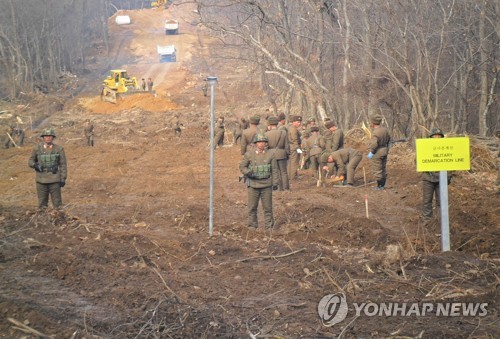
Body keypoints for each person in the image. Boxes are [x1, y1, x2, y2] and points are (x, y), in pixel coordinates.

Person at [239, 133, 279, 229]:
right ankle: (252, 226)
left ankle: (269, 226)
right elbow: (242, 167)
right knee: (252, 207)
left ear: (266, 143)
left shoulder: (271, 154)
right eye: (259, 142)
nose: (261, 144)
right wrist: (249, 172)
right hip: (253, 184)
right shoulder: (249, 154)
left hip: (266, 185)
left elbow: (274, 170)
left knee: (268, 207)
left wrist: (275, 183)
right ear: (256, 143)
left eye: (263, 142)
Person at [28, 128, 67, 210]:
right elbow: (30, 161)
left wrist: (63, 178)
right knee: (42, 204)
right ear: (43, 137)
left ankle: (59, 220)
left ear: (53, 137)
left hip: (54, 179)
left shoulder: (59, 149)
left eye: (50, 136)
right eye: (46, 136)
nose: (48, 138)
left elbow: (63, 164)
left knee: (57, 204)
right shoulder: (37, 148)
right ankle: (43, 220)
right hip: (41, 180)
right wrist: (35, 165)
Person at [422, 128, 452, 222]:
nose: (437, 138)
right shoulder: (425, 148)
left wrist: (448, 177)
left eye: (439, 136)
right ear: (430, 138)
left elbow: (451, 164)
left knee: (441, 202)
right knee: (427, 201)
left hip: (441, 179)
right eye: (434, 136)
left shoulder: (446, 150)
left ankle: (441, 221)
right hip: (428, 178)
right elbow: (418, 162)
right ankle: (427, 220)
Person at [265, 116, 290, 191]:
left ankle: (278, 188)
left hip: (271, 154)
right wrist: (287, 154)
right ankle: (286, 188)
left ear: (269, 124)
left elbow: (266, 146)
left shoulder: (266, 134)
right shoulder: (284, 133)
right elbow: (287, 145)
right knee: (284, 172)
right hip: (282, 154)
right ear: (277, 123)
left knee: (274, 172)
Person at [367, 114, 391, 190]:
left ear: (373, 123)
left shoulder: (375, 132)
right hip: (385, 150)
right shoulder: (385, 130)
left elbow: (374, 144)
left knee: (377, 169)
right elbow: (389, 140)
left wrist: (371, 152)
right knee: (383, 168)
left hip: (378, 152)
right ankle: (383, 185)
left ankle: (379, 186)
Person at [287, 115, 302, 180]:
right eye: (298, 122)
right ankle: (292, 177)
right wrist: (298, 149)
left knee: (292, 162)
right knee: (294, 162)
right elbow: (294, 140)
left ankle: (292, 176)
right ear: (293, 122)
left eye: (300, 122)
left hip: (292, 146)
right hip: (294, 147)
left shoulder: (292, 128)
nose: (299, 123)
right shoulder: (293, 129)